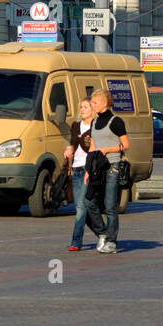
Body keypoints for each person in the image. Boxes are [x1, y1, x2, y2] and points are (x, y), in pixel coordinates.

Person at [82, 88, 130, 254]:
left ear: (103, 103)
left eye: (94, 102)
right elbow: (93, 147)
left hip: (112, 167)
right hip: (97, 168)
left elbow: (125, 145)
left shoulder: (116, 121)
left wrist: (107, 150)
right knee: (88, 202)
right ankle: (102, 232)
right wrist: (88, 170)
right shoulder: (95, 122)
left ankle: (111, 241)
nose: (92, 105)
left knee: (110, 206)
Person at [62, 98, 96, 251]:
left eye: (86, 107)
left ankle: (76, 241)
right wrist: (69, 150)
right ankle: (102, 232)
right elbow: (73, 144)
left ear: (92, 109)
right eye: (81, 107)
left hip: (88, 169)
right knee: (80, 208)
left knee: (81, 208)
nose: (82, 110)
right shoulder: (76, 126)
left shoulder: (96, 126)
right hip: (76, 169)